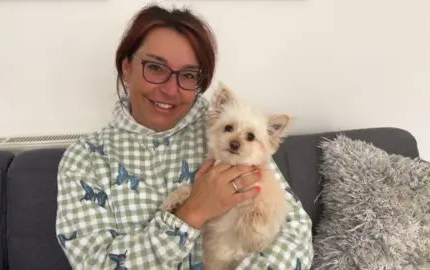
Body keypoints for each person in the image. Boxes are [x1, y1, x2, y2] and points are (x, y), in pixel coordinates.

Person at [55, 4, 314, 270]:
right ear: (126, 67)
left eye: (188, 75)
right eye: (155, 67)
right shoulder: (84, 159)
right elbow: (94, 264)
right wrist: (193, 211)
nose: (170, 89)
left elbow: (295, 234)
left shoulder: (228, 130)